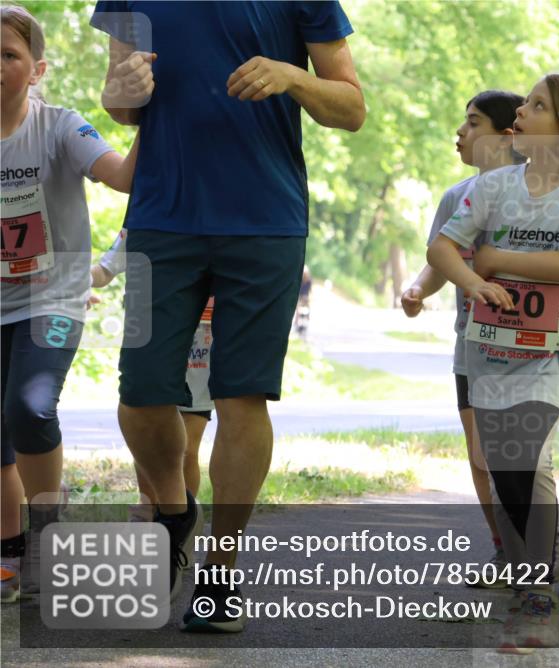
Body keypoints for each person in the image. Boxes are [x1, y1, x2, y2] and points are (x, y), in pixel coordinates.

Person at [90, 0, 364, 632]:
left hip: (265, 223)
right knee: (140, 393)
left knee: (243, 398)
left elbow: (352, 109)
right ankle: (173, 509)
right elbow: (122, 99)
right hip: (161, 218)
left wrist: (293, 76)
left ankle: (220, 571)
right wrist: (119, 92)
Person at [428, 73, 559, 653]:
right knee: (503, 469)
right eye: (527, 103)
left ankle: (539, 600)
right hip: (486, 353)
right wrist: (470, 279)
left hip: (543, 356)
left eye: (538, 106)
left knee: (526, 460)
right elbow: (442, 245)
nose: (523, 111)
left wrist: (491, 258)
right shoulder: (491, 187)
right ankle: (526, 571)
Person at [402, 90, 559, 587]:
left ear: (507, 135)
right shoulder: (457, 196)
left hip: (531, 350)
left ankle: (545, 548)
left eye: (472, 123)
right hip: (472, 347)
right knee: (483, 458)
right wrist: (418, 289)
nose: (460, 132)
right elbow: (441, 256)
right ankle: (508, 552)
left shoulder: (542, 191)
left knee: (525, 458)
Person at [1, 4, 139, 603]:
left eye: (8, 54)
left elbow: (120, 175)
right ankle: (10, 555)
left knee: (30, 409)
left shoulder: (60, 127)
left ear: (37, 69)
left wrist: (149, 119)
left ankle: (46, 541)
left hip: (53, 299)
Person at [90, 228, 210, 559]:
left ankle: (178, 533)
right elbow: (103, 271)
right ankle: (150, 517)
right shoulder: (144, 218)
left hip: (205, 351)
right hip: (155, 342)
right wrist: (71, 280)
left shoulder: (219, 215)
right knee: (150, 441)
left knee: (187, 450)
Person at [295, 264, 312, 338]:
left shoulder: (308, 281)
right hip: (300, 296)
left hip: (304, 296)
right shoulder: (301, 279)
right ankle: (297, 321)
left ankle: (306, 318)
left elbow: (309, 290)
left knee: (307, 307)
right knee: (298, 309)